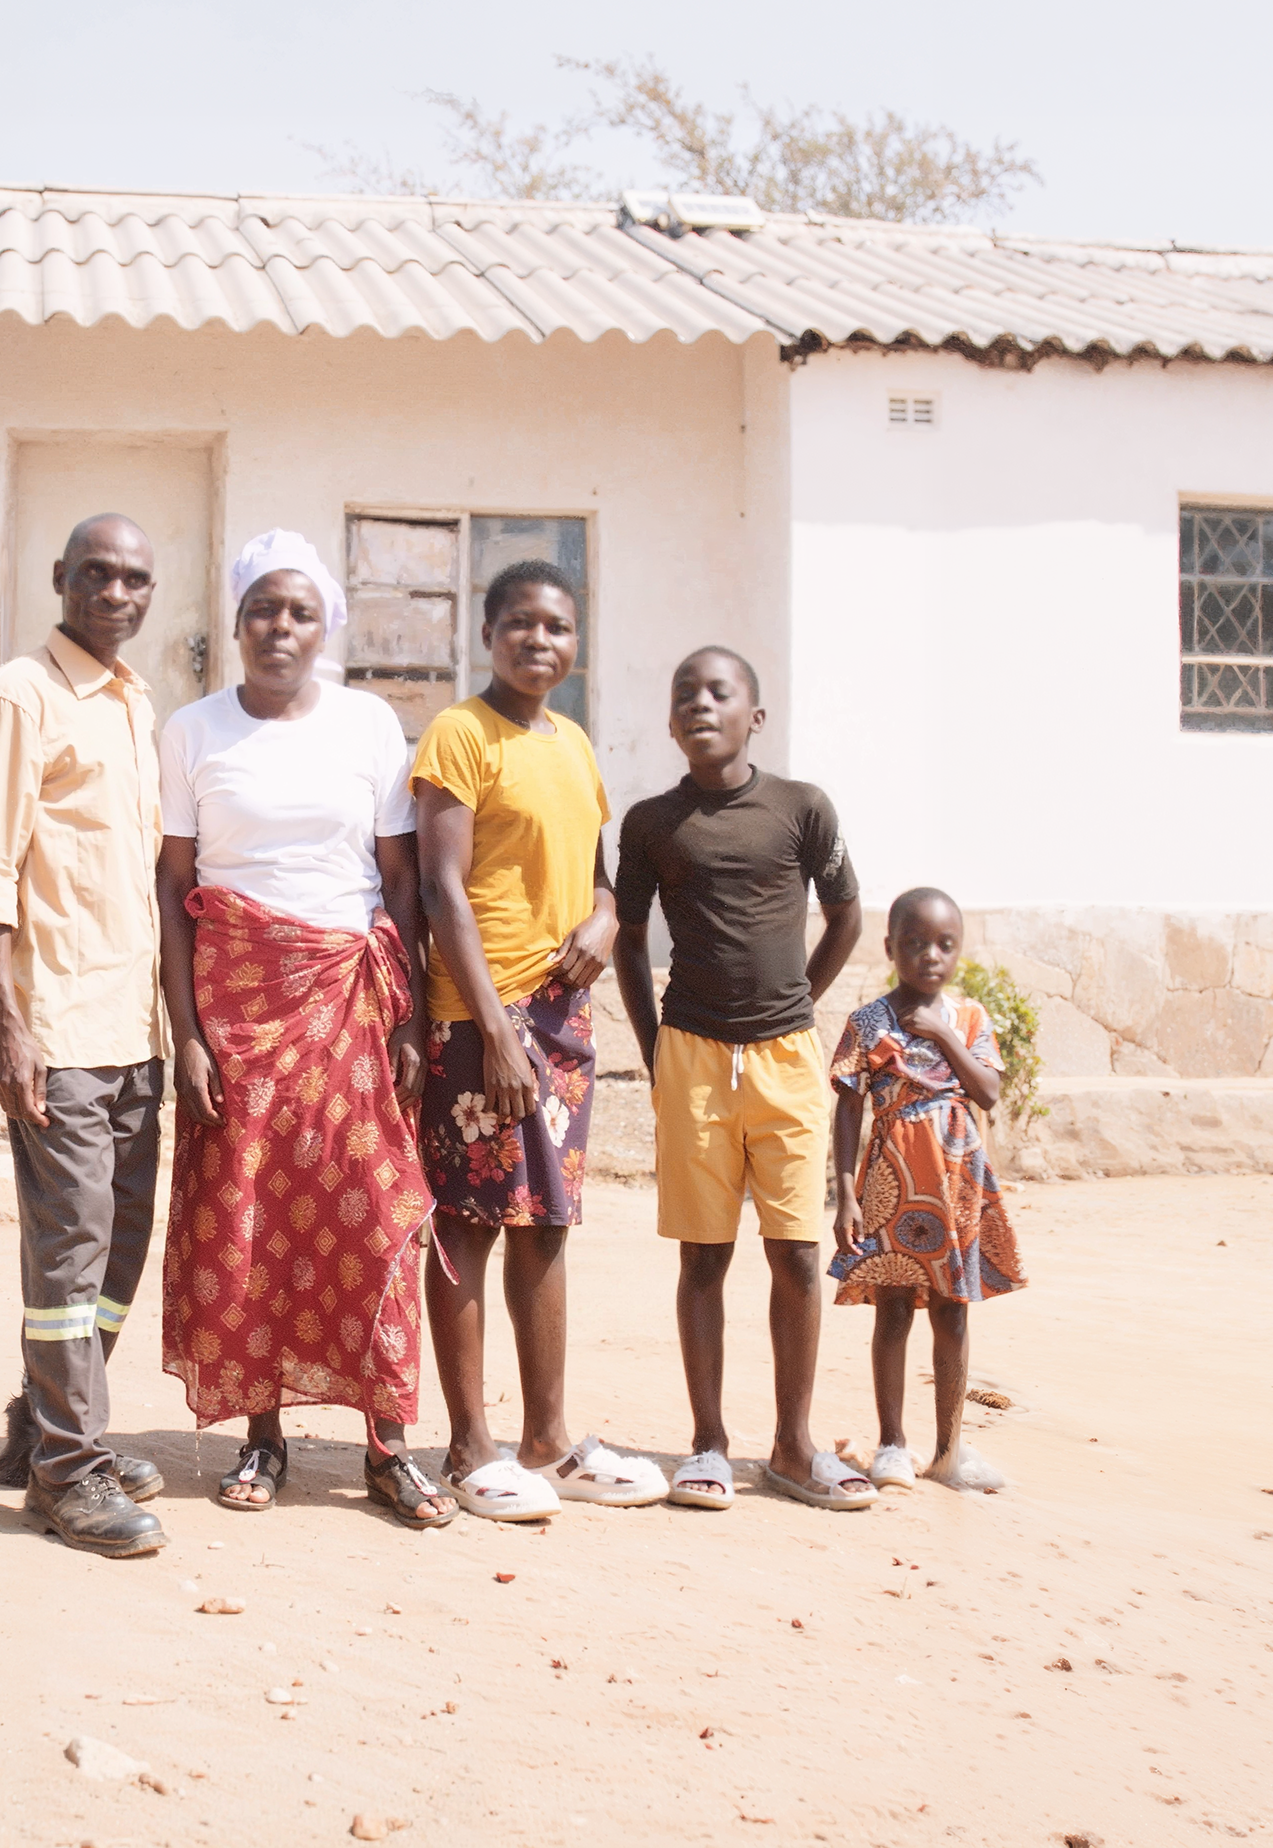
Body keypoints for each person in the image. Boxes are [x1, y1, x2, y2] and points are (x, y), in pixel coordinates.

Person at [153, 530, 457, 1529]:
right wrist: (186, 1034)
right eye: (259, 610)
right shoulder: (191, 731)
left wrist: (406, 1016)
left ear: (324, 624)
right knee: (251, 1221)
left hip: (347, 1003)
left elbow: (402, 880)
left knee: (368, 1218)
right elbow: (173, 885)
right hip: (235, 1007)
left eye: (296, 611)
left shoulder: (369, 726)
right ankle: (263, 1437)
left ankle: (387, 1447)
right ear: (235, 621)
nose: (276, 627)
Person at [412, 560, 665, 1521]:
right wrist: (494, 1032)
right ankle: (471, 1446)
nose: (539, 641)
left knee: (549, 1218)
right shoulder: (458, 737)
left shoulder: (573, 743)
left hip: (562, 1020)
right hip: (481, 1018)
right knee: (470, 1221)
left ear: (575, 641)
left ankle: (548, 1441)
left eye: (557, 627)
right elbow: (442, 892)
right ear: (487, 635)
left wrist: (605, 922)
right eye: (520, 624)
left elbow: (597, 879)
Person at [0, 513, 172, 1558]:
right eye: (95, 574)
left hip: (135, 1030)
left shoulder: (134, 704)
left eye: (134, 578)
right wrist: (9, 1029)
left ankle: (44, 1427)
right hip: (59, 1029)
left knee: (122, 1251)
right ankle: (67, 1475)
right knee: (70, 1253)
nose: (115, 593)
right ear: (59, 579)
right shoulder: (18, 695)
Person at [613, 646, 872, 1513]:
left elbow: (846, 916)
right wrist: (653, 1047)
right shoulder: (652, 824)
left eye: (719, 693)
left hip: (786, 1058)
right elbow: (628, 935)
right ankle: (710, 1444)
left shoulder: (802, 809)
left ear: (754, 716)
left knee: (797, 1252)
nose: (699, 705)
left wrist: (799, 999)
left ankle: (793, 1448)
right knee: (704, 1257)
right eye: (683, 692)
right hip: (690, 1057)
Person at [828, 886, 1023, 1493]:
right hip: (891, 1188)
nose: (929, 956)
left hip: (957, 1187)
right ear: (889, 948)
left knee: (952, 1314)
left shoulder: (968, 1020)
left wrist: (942, 1034)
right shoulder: (867, 1023)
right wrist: (844, 1191)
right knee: (890, 1311)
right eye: (913, 943)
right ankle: (891, 1443)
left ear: (959, 951)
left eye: (943, 944)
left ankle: (950, 1450)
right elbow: (848, 1110)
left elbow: (987, 1092)